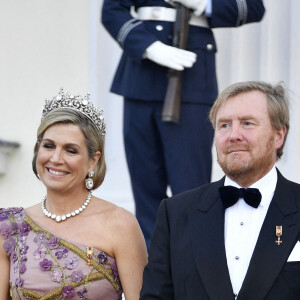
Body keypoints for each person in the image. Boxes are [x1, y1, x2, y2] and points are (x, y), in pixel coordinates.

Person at [101, 0, 266, 248]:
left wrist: (205, 3)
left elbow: (252, 7)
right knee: (145, 191)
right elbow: (112, 9)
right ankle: (154, 271)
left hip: (191, 76)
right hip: (142, 75)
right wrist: (148, 46)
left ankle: (192, 269)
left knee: (191, 189)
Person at [140, 81, 300, 299]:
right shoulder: (175, 212)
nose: (233, 135)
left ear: (279, 136)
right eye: (224, 125)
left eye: (247, 123)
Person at [0, 88, 147, 300]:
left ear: (93, 161)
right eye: (49, 146)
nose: (56, 159)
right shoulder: (10, 226)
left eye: (71, 150)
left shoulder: (120, 225)